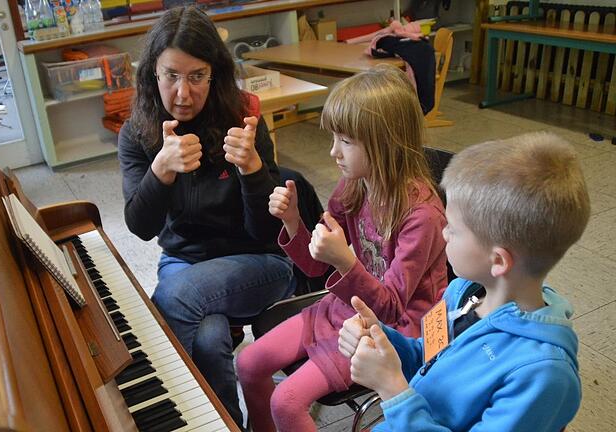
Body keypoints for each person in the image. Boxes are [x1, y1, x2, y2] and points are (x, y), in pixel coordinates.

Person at [237, 65, 448, 431]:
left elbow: (393, 308)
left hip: (398, 329)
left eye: (346, 141)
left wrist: (346, 261)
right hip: (347, 309)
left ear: (387, 143)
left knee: (286, 402)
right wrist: (293, 224)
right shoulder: (354, 186)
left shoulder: (423, 216)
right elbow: (316, 269)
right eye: (334, 137)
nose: (333, 151)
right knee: (248, 364)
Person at [339, 132, 589, 431]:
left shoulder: (543, 374)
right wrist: (381, 338)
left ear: (498, 261)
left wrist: (392, 389)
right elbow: (429, 359)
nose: (443, 232)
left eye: (453, 229)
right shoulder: (462, 293)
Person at [117, 6, 293, 427]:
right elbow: (140, 228)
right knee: (210, 341)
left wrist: (253, 170)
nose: (182, 93)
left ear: (214, 75)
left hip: (258, 263)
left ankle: (158, 408)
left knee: (172, 302)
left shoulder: (242, 120)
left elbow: (268, 231)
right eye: (171, 76)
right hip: (185, 262)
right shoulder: (138, 132)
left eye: (196, 76)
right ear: (151, 74)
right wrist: (160, 171)